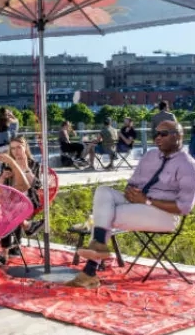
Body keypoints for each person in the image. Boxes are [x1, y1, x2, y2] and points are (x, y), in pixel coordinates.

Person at [66, 120, 195, 289]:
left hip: (165, 215)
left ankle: (90, 270)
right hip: (137, 203)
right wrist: (130, 192)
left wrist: (147, 201)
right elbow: (132, 183)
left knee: (104, 216)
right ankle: (92, 265)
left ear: (178, 136)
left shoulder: (188, 165)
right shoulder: (150, 156)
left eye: (163, 134)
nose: (157, 138)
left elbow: (184, 208)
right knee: (103, 191)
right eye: (155, 134)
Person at [0, 136, 44, 265]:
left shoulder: (33, 164)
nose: (16, 151)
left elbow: (37, 185)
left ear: (25, 147)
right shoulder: (7, 165)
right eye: (13, 148)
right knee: (9, 211)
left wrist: (26, 168)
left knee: (8, 212)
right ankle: (27, 226)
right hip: (11, 202)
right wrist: (3, 176)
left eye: (19, 147)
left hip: (29, 203)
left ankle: (4, 253)